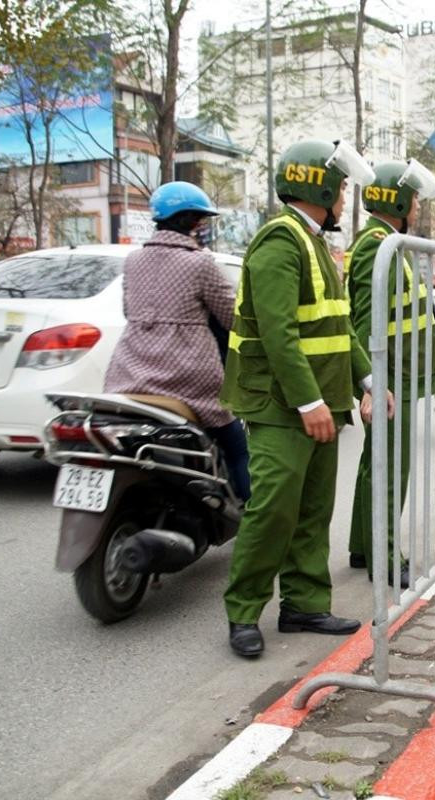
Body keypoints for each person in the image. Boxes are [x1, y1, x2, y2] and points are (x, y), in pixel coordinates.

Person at [220, 138, 380, 658]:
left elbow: (338, 327)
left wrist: (367, 380)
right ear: (321, 185)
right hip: (281, 405)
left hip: (322, 399)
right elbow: (277, 333)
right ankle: (244, 611)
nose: (345, 197)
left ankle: (304, 603)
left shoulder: (314, 244)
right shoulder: (280, 242)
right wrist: (309, 403)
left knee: (312, 509)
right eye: (342, 188)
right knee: (273, 509)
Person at [103, 181, 250, 502]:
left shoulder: (133, 261)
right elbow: (233, 319)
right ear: (188, 221)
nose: (201, 228)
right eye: (199, 221)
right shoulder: (200, 263)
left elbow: (130, 311)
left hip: (128, 374)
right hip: (187, 380)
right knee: (236, 442)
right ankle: (252, 511)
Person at [345, 158, 435, 587]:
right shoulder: (374, 246)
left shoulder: (387, 242)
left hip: (396, 375)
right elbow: (366, 320)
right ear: (398, 199)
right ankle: (384, 556)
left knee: (375, 462)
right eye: (415, 199)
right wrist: (371, 382)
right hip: (390, 379)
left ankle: (361, 545)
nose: (418, 207)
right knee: (389, 467)